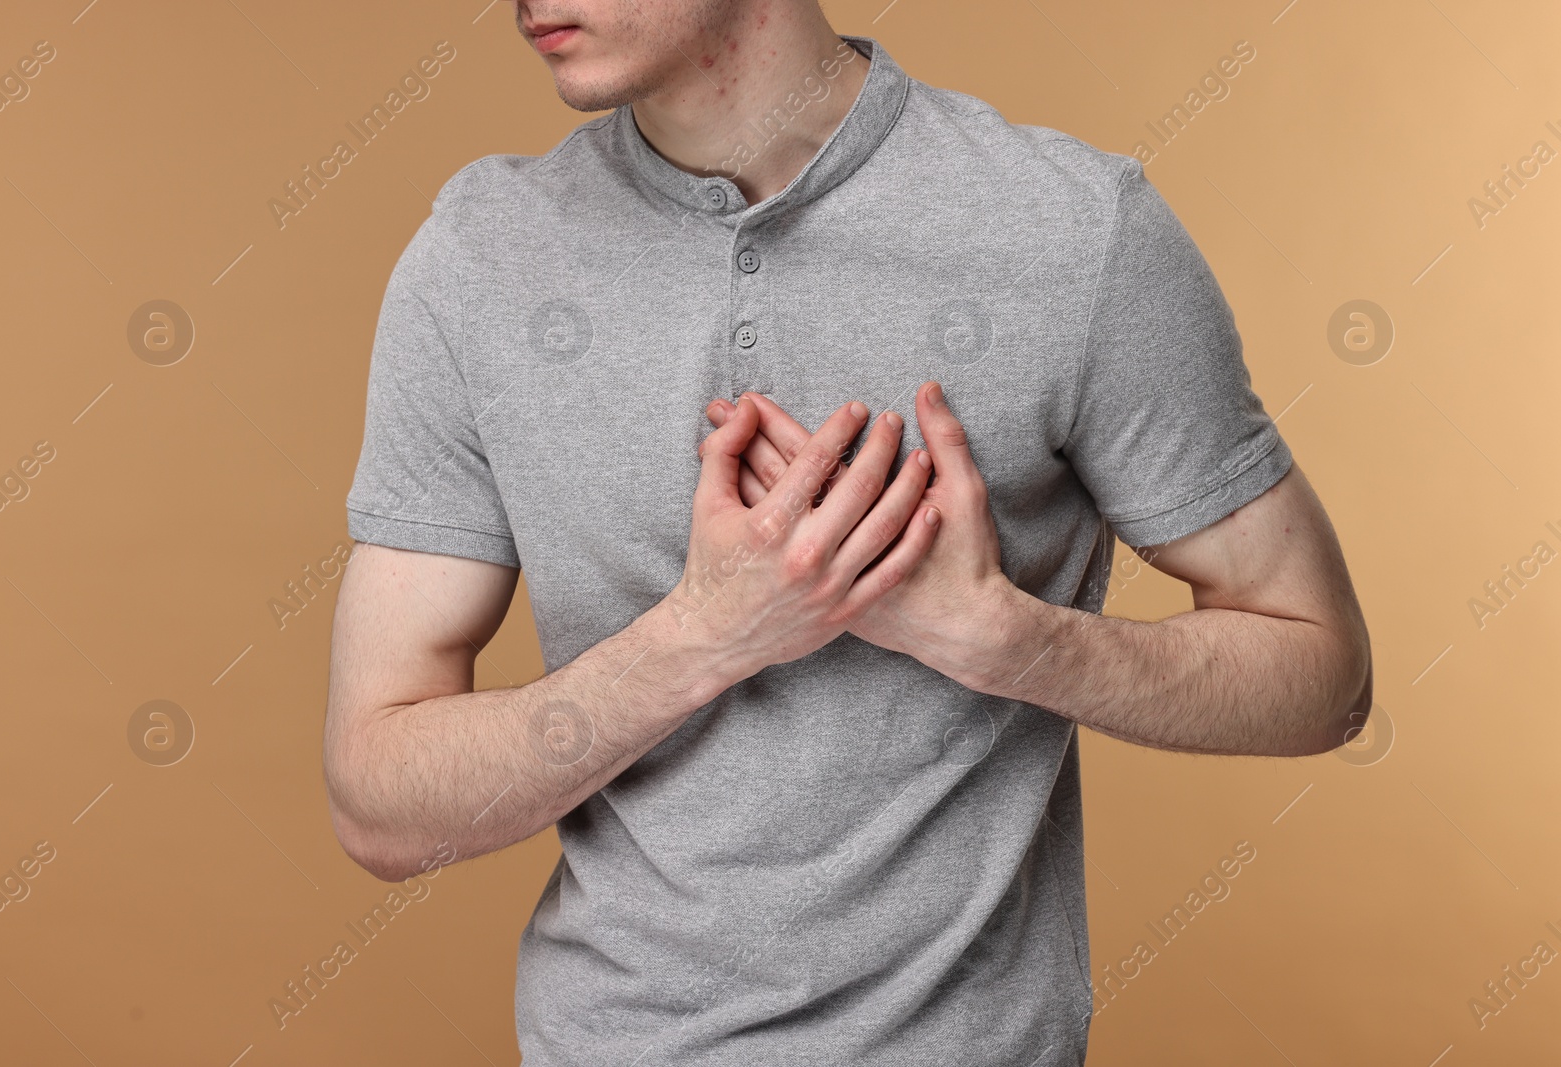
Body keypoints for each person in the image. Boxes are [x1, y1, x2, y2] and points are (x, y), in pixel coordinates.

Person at [322, 3, 1373, 1064]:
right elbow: (379, 804)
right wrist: (706, 634)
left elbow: (1323, 676)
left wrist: (1009, 638)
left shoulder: (1074, 233)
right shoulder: (481, 256)